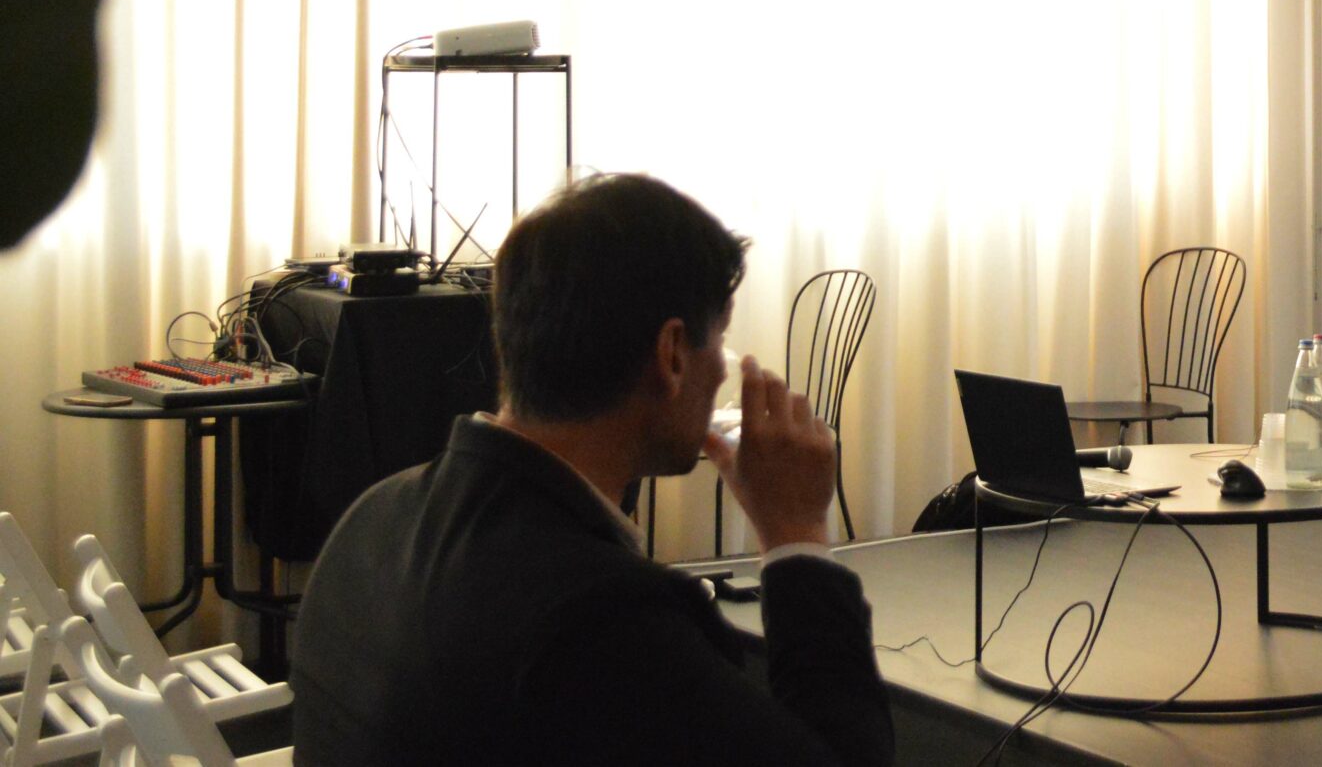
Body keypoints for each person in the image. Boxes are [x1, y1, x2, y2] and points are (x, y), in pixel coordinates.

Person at [292, 173, 894, 767]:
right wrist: (796, 538)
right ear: (672, 354)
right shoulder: (605, 623)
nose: (721, 372)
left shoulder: (372, 518)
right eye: (720, 341)